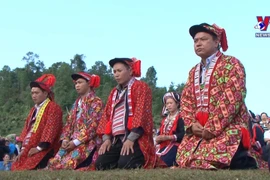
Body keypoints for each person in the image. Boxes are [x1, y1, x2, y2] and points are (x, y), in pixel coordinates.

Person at [175, 23, 257, 170]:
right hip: (199, 130)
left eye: (203, 39)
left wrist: (212, 127)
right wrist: (192, 125)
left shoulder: (232, 64)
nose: (198, 43)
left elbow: (234, 97)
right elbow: (186, 101)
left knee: (218, 154)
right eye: (195, 41)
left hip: (227, 127)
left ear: (216, 41)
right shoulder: (193, 71)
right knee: (186, 156)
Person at [95, 57, 156, 170]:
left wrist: (131, 139)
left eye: (119, 71)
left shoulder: (141, 87)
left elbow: (141, 114)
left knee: (126, 164)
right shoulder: (114, 92)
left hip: (136, 138)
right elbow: (106, 116)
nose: (116, 74)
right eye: (114, 71)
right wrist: (106, 139)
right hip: (116, 139)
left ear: (131, 71)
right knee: (100, 164)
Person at [47, 72, 103, 170]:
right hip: (72, 141)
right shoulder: (76, 103)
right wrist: (65, 139)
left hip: (88, 142)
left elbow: (93, 127)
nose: (77, 85)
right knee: (54, 161)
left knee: (68, 163)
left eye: (80, 82)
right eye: (76, 83)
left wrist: (76, 142)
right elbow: (68, 124)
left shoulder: (96, 102)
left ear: (89, 83)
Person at [11, 74, 63, 170]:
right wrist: (22, 149)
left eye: (37, 93)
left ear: (45, 93)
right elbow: (26, 129)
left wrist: (39, 148)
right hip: (30, 146)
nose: (34, 96)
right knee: (16, 165)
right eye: (32, 93)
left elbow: (51, 130)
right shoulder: (33, 110)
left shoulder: (53, 108)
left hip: (46, 148)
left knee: (30, 165)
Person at [155, 92, 185, 167]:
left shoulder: (181, 118)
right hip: (163, 144)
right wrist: (158, 138)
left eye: (171, 103)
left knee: (164, 160)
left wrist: (169, 137)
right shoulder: (165, 119)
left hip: (176, 145)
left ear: (177, 104)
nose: (168, 105)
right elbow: (160, 133)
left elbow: (183, 134)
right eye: (167, 103)